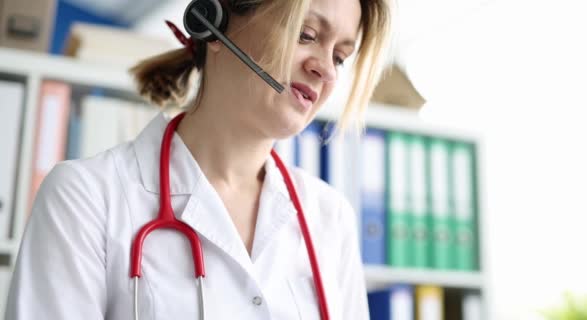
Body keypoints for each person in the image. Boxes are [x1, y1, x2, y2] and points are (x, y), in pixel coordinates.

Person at [6, 0, 391, 318]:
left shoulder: (330, 218)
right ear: (212, 22)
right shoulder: (87, 198)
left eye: (340, 57)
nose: (324, 69)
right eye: (306, 35)